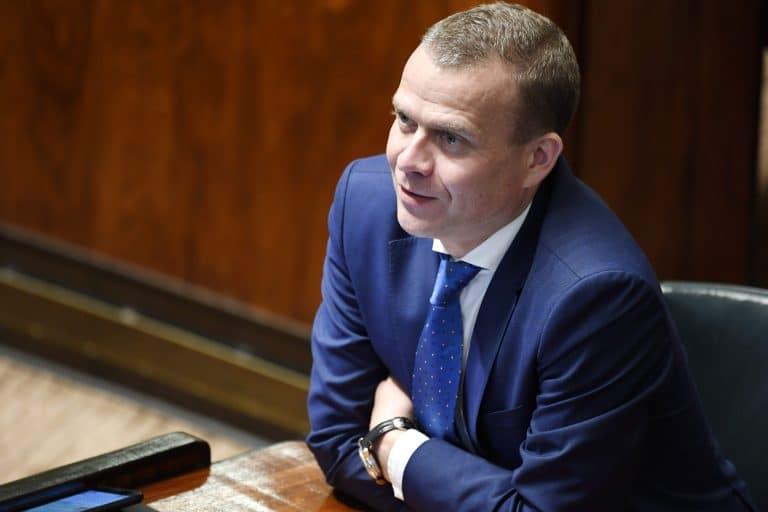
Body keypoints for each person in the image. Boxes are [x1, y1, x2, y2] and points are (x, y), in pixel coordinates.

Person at [306, 2, 756, 511]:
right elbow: (337, 440)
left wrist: (392, 442)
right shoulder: (366, 206)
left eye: (451, 139)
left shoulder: (596, 294)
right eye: (405, 120)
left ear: (537, 159)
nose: (407, 162)